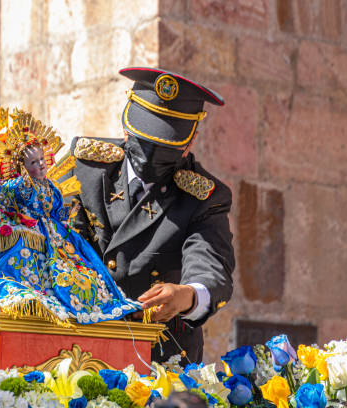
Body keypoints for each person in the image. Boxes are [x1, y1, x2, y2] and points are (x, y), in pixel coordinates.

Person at [69, 67, 235, 362]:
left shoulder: (204, 198)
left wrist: (187, 295)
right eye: (144, 141)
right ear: (126, 127)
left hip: (158, 355)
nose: (150, 156)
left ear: (190, 140)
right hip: (79, 342)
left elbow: (211, 268)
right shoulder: (86, 168)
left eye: (165, 146)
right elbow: (59, 241)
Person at [0, 129, 142, 328]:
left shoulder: (50, 186)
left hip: (54, 233)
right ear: (22, 166)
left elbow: (54, 209)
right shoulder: (16, 186)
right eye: (33, 163)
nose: (41, 164)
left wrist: (68, 214)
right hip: (27, 230)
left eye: (42, 159)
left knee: (79, 266)